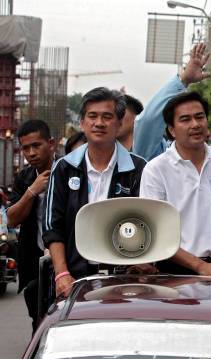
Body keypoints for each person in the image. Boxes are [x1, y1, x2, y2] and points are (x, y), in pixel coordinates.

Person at [43, 88, 147, 297]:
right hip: (74, 277)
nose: (99, 123)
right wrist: (62, 273)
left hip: (123, 279)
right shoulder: (64, 168)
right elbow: (52, 226)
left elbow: (147, 222)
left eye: (107, 117)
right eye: (92, 116)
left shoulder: (139, 168)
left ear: (118, 124)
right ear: (82, 122)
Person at [139, 92, 211, 277]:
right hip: (173, 272)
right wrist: (200, 266)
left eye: (199, 117)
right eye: (185, 119)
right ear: (171, 130)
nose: (195, 124)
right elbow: (155, 231)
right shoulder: (156, 170)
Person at [7, 120, 56, 331]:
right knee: (37, 321)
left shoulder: (70, 172)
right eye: (26, 148)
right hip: (34, 260)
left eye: (36, 145)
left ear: (51, 144)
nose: (31, 153)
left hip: (67, 259)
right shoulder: (24, 177)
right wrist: (32, 191)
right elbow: (12, 218)